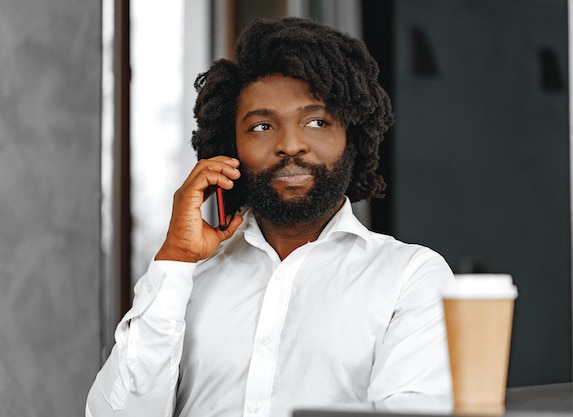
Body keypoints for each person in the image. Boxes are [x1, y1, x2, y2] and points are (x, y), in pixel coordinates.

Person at [86, 16, 455, 417]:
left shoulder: (410, 277)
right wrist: (174, 259)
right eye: (262, 126)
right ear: (230, 149)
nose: (291, 145)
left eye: (316, 122)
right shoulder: (185, 282)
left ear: (353, 137)